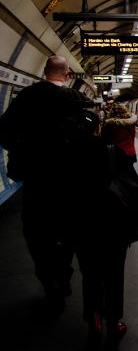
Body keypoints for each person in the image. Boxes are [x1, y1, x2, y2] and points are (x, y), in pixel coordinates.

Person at [0, 55, 90, 311]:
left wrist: (21, 150)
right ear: (69, 74)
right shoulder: (76, 100)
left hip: (36, 181)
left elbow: (4, 130)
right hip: (71, 183)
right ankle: (63, 273)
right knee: (69, 230)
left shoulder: (26, 97)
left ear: (44, 70)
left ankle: (48, 278)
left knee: (37, 233)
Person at [62, 108, 131, 348]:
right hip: (112, 227)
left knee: (90, 275)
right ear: (97, 128)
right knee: (114, 276)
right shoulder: (111, 152)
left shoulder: (61, 155)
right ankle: (114, 323)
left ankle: (94, 321)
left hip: (80, 228)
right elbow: (134, 191)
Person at [101, 103, 138, 177]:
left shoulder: (110, 125)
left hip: (116, 154)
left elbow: (106, 139)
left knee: (120, 174)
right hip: (130, 152)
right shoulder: (130, 123)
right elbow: (133, 136)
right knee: (129, 172)